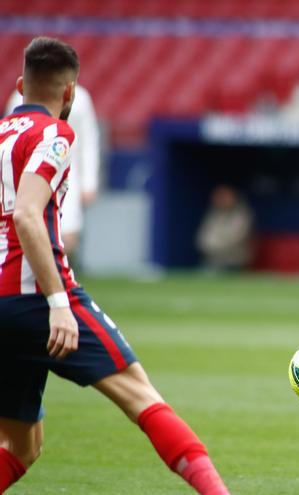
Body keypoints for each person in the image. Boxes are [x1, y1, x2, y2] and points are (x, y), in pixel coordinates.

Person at [0, 37, 229, 495]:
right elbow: (27, 213)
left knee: (23, 444)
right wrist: (58, 303)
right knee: (143, 397)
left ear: (22, 85)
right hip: (34, 297)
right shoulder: (56, 134)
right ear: (70, 94)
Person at [6, 82, 100, 257]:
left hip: (68, 174)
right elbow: (7, 139)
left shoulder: (80, 98)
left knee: (67, 233)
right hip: (27, 176)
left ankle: (56, 275)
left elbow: (88, 141)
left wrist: (89, 181)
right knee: (26, 225)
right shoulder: (18, 98)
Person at [196, 184, 254, 271]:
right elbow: (203, 237)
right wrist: (209, 246)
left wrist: (212, 246)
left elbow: (234, 238)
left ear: (233, 197)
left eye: (224, 196)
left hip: (233, 261)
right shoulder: (214, 214)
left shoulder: (241, 215)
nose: (220, 200)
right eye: (218, 196)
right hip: (212, 259)